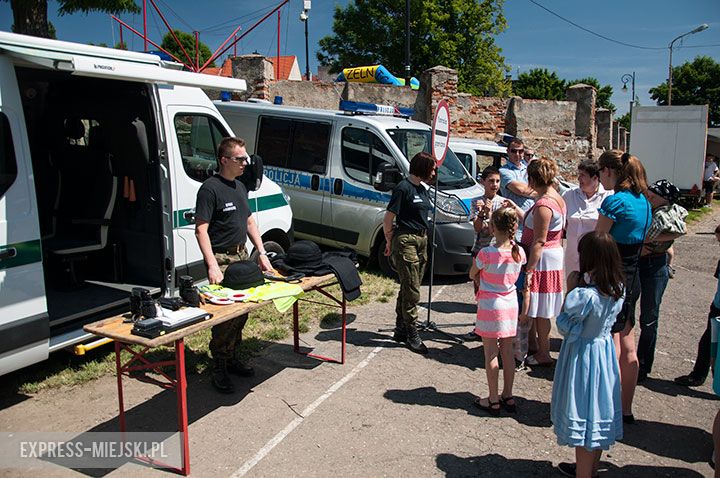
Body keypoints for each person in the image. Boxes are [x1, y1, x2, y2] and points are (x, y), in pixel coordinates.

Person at [195, 137, 273, 394]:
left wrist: (261, 253)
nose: (245, 163)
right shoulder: (210, 189)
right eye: (240, 159)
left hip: (242, 258)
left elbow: (250, 222)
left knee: (242, 313)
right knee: (225, 317)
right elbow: (201, 230)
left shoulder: (239, 187)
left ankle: (231, 357)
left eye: (245, 158)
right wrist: (212, 265)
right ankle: (218, 365)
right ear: (224, 160)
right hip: (223, 260)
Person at [552, 231, 625, 478]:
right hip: (603, 354)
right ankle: (590, 470)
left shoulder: (584, 296)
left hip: (583, 357)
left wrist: (570, 290)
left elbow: (565, 326)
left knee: (583, 415)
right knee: (597, 414)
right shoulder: (617, 288)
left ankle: (583, 472)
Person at [595, 150, 652, 424]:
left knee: (609, 344)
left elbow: (598, 242)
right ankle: (625, 409)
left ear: (609, 171)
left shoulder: (616, 202)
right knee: (628, 344)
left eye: (600, 172)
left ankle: (605, 409)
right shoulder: (644, 202)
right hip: (634, 276)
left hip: (611, 277)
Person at [470, 207, 527, 414]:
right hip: (511, 304)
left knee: (491, 353)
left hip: (490, 306)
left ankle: (492, 399)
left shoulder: (487, 253)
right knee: (508, 352)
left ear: (493, 227)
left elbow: (472, 273)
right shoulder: (519, 252)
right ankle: (508, 395)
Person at [383, 151, 436, 354]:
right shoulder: (403, 188)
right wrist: (389, 241)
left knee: (408, 284)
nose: (433, 172)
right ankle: (412, 332)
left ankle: (401, 327)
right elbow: (388, 218)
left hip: (422, 240)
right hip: (406, 240)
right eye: (431, 168)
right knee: (413, 288)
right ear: (422, 168)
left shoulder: (423, 189)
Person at [635, 179, 687, 382]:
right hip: (642, 263)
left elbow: (681, 230)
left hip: (655, 266)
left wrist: (645, 241)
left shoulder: (667, 213)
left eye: (653, 194)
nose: (649, 195)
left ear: (664, 198)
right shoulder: (646, 208)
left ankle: (643, 364)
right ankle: (631, 359)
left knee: (649, 317)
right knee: (630, 314)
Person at [465, 166, 522, 340]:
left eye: (497, 181)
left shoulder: (503, 202)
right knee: (481, 291)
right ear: (483, 182)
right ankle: (481, 326)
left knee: (499, 289)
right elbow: (477, 228)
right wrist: (483, 213)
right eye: (491, 181)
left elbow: (503, 228)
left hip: (499, 252)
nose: (494, 185)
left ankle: (500, 326)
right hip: (481, 250)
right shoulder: (476, 201)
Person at [520, 158, 566, 366]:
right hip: (551, 255)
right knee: (538, 307)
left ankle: (543, 352)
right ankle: (534, 346)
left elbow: (539, 239)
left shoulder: (544, 205)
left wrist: (529, 268)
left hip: (542, 259)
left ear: (532, 179)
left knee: (540, 308)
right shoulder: (556, 197)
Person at [675, 223, 720, 387]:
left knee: (711, 344)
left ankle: (706, 378)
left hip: (718, 309)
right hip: (716, 306)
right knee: (708, 343)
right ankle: (700, 375)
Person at [562, 159, 612, 277]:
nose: (579, 179)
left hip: (596, 255)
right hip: (573, 255)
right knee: (573, 290)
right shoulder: (569, 195)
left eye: (583, 175)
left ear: (595, 178)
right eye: (579, 175)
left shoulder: (608, 196)